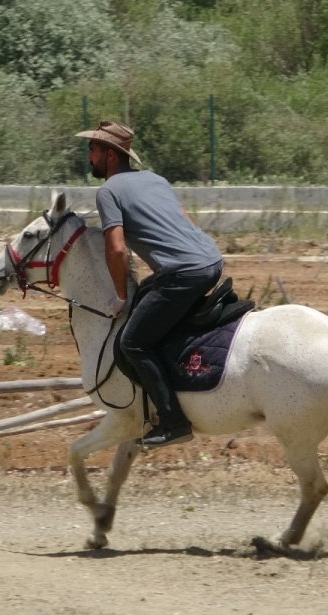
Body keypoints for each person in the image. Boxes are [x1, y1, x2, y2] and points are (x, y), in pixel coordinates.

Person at [75, 120, 224, 448]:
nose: (88, 156)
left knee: (133, 343)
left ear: (111, 156)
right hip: (210, 260)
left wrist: (120, 295)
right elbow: (186, 221)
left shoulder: (109, 191)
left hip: (183, 273)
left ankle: (173, 421)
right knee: (148, 298)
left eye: (93, 149)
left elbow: (114, 248)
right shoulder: (156, 180)